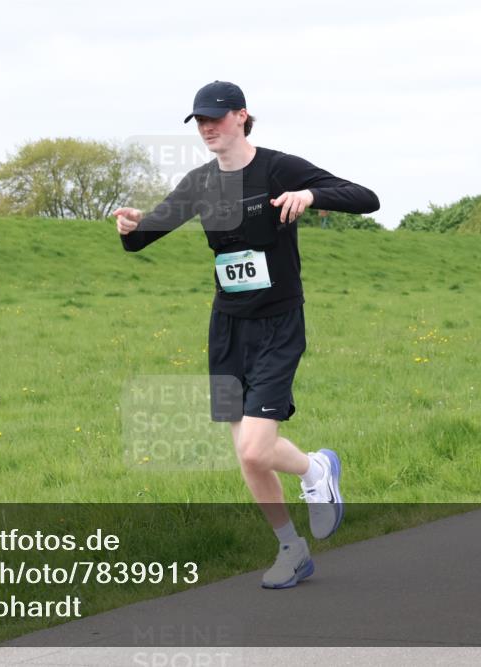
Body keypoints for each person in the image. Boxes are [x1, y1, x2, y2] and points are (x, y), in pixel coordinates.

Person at [113, 81, 379, 589]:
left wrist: (311, 194)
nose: (208, 128)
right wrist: (131, 226)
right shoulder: (200, 182)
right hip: (227, 327)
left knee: (256, 450)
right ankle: (291, 548)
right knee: (247, 455)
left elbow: (366, 198)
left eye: (216, 117)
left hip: (279, 323)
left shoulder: (278, 168)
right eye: (199, 121)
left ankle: (315, 472)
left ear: (242, 116)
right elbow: (145, 236)